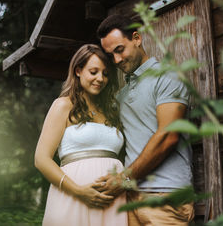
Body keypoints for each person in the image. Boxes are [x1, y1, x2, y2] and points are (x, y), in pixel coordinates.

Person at [95, 14, 194, 225]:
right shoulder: (121, 94)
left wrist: (123, 179)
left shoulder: (168, 76)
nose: (117, 60)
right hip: (130, 198)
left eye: (120, 50)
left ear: (137, 39)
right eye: (110, 55)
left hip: (165, 196)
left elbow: (168, 136)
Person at [35, 44, 128, 226]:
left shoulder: (112, 111)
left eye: (105, 74)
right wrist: (79, 191)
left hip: (112, 199)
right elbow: (41, 159)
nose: (100, 79)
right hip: (73, 196)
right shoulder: (63, 106)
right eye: (93, 72)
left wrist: (123, 179)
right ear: (78, 71)